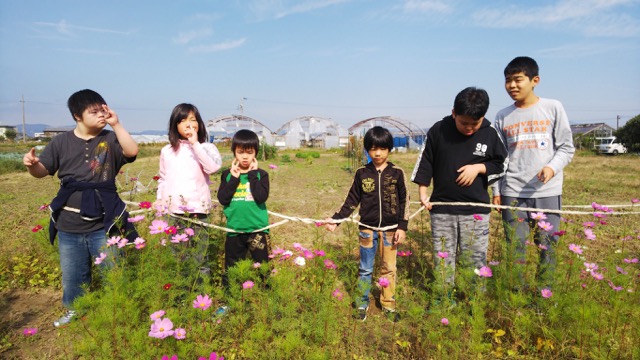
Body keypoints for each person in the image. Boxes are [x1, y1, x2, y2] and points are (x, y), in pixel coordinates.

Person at [22, 89, 139, 327]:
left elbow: (132, 151)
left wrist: (117, 124)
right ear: (77, 115)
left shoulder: (111, 138)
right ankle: (75, 310)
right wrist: (31, 165)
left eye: (103, 110)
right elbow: (42, 172)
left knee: (114, 271)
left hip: (105, 222)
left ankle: (117, 310)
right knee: (73, 275)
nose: (101, 115)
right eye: (94, 111)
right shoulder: (60, 142)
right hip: (69, 223)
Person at [411, 87, 508, 292]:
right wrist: (423, 192)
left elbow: (502, 163)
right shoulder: (439, 130)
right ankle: (443, 296)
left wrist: (479, 168)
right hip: (442, 208)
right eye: (464, 123)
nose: (470, 128)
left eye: (475, 123)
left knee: (474, 257)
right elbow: (426, 161)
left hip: (476, 211)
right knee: (443, 256)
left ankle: (474, 298)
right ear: (454, 113)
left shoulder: (489, 134)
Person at [491, 56, 575, 288]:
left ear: (535, 80)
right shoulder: (502, 116)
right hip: (513, 192)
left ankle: (543, 298)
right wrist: (497, 190)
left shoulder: (552, 108)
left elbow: (566, 147)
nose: (512, 86)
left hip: (546, 191)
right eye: (507, 81)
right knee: (514, 249)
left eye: (518, 80)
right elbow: (498, 157)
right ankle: (515, 296)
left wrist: (551, 167)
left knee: (547, 248)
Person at [325, 126, 409, 322]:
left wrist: (402, 227)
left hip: (390, 231)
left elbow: (405, 201)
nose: (377, 153)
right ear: (367, 150)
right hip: (367, 230)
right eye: (372, 149)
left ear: (389, 149)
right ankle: (362, 303)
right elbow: (352, 200)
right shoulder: (362, 173)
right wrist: (337, 220)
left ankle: (388, 304)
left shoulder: (397, 173)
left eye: (382, 148)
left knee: (389, 268)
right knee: (365, 269)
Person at [156, 103, 222, 278]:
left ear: (199, 124)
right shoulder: (167, 151)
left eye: (193, 120)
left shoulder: (207, 148)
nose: (188, 124)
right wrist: (160, 205)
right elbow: (163, 179)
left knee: (200, 258)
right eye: (183, 120)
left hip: (198, 212)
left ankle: (202, 298)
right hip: (173, 212)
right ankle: (181, 299)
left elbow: (212, 168)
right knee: (177, 258)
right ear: (175, 125)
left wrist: (195, 144)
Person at [216, 129, 270, 314]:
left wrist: (253, 175)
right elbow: (223, 199)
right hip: (235, 231)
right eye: (240, 152)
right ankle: (229, 301)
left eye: (249, 152)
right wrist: (235, 178)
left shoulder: (261, 175)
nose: (245, 157)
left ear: (255, 152)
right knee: (231, 267)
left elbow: (261, 197)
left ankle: (267, 301)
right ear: (234, 152)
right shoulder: (227, 175)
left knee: (263, 266)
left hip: (258, 230)